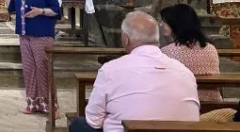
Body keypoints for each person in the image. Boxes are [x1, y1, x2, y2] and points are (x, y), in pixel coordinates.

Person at [68, 11, 200, 132]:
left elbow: (94, 120)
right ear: (156, 38)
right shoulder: (185, 72)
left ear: (125, 39)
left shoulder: (111, 70)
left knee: (78, 124)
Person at [7, 0, 61, 116]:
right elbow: (11, 9)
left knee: (43, 70)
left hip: (42, 35)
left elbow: (56, 11)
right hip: (25, 35)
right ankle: (33, 104)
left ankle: (52, 106)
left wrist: (41, 11)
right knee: (29, 70)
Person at [159, 4, 222, 102]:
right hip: (213, 102)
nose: (161, 24)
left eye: (165, 21)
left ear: (176, 23)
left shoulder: (167, 52)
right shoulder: (211, 48)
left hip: (184, 103)